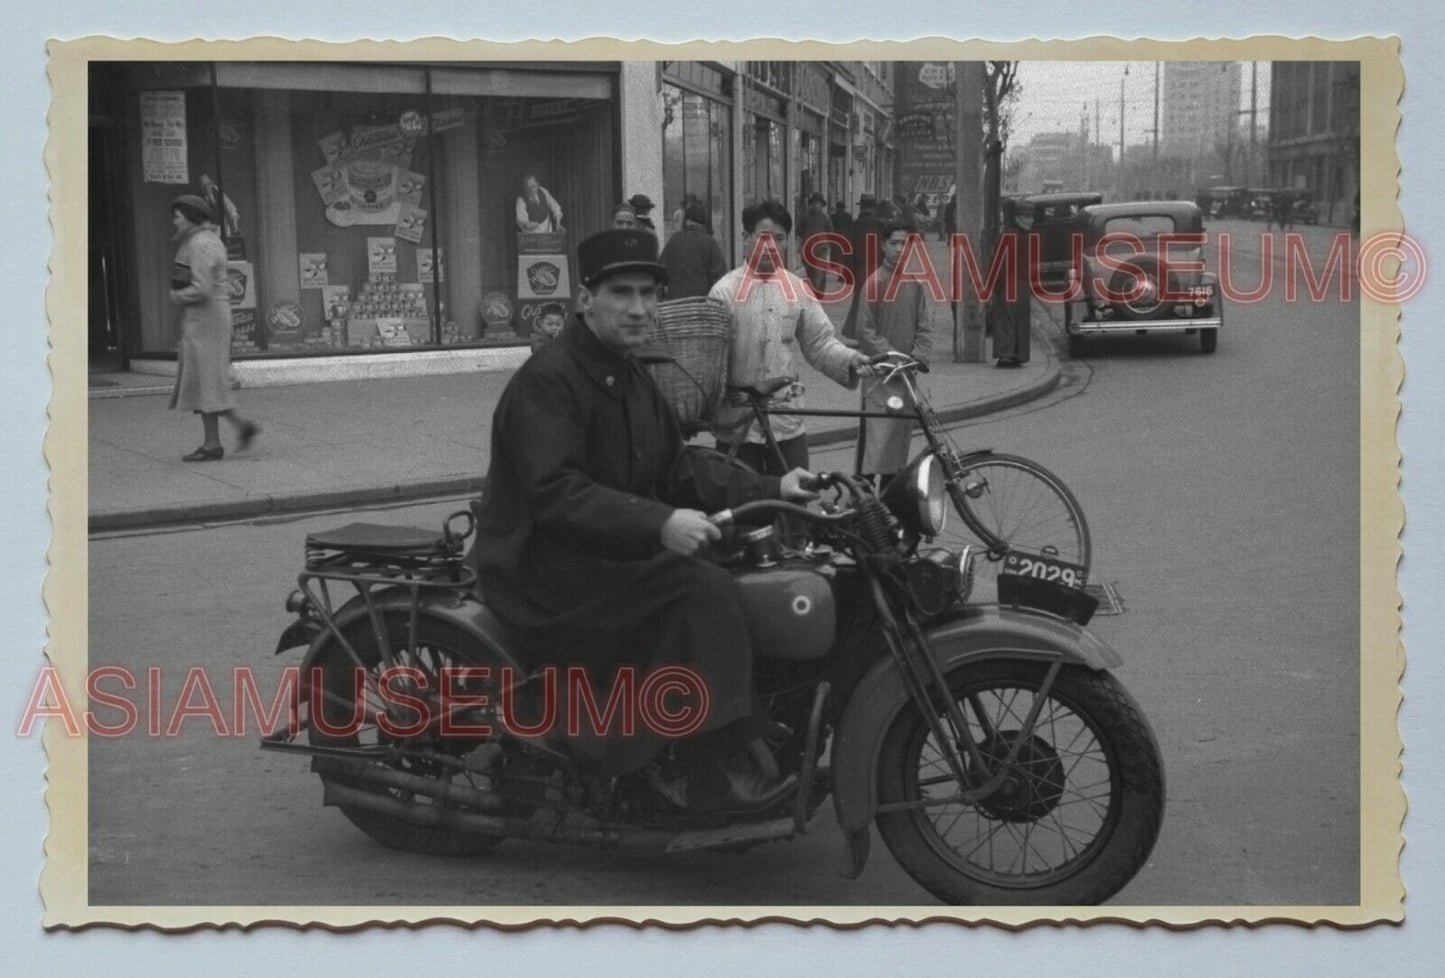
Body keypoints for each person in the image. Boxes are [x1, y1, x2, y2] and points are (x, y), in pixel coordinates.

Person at [471, 227, 817, 811]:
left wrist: (775, 484)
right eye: (622, 294)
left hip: (601, 554)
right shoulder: (549, 380)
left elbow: (679, 467)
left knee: (737, 559)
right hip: (546, 570)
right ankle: (705, 765)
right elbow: (554, 492)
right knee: (701, 586)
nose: (638, 308)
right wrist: (658, 523)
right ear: (586, 300)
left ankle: (729, 723)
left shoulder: (631, 373)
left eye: (649, 295)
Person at [709, 200, 873, 475]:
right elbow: (710, 360)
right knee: (742, 508)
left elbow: (819, 342)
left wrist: (852, 359)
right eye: (763, 237)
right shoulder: (723, 292)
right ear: (745, 238)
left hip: (786, 419)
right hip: (738, 424)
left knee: (794, 503)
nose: (771, 245)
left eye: (779, 238)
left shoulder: (797, 289)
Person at [166, 194, 259, 461]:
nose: (173, 222)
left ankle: (213, 445)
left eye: (177, 217)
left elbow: (202, 288)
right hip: (205, 318)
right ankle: (240, 428)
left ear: (191, 217)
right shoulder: (201, 241)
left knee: (206, 380)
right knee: (206, 380)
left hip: (207, 318)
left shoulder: (202, 244)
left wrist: (177, 297)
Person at [854, 223, 934, 479]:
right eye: (894, 243)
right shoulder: (874, 283)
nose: (900, 249)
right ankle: (864, 503)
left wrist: (918, 356)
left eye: (905, 244)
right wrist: (892, 357)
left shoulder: (915, 284)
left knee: (898, 445)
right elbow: (865, 330)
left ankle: (889, 503)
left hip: (907, 376)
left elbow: (924, 326)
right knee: (874, 446)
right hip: (881, 375)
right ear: (883, 246)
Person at [658, 200, 727, 299]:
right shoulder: (710, 243)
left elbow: (661, 272)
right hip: (701, 305)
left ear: (688, 221)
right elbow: (720, 278)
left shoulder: (674, 240)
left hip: (675, 305)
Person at [841, 194, 885, 341]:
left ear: (862, 207)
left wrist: (847, 272)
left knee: (860, 302)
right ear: (874, 207)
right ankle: (877, 333)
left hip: (860, 268)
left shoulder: (855, 224)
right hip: (878, 266)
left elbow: (849, 250)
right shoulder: (880, 223)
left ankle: (859, 333)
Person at [795, 192, 835, 296]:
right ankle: (817, 291)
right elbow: (799, 232)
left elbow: (831, 233)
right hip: (808, 249)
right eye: (814, 203)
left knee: (818, 271)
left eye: (818, 203)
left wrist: (829, 246)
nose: (816, 205)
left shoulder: (825, 218)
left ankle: (814, 294)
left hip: (821, 249)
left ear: (821, 205)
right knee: (810, 271)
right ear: (811, 204)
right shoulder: (805, 218)